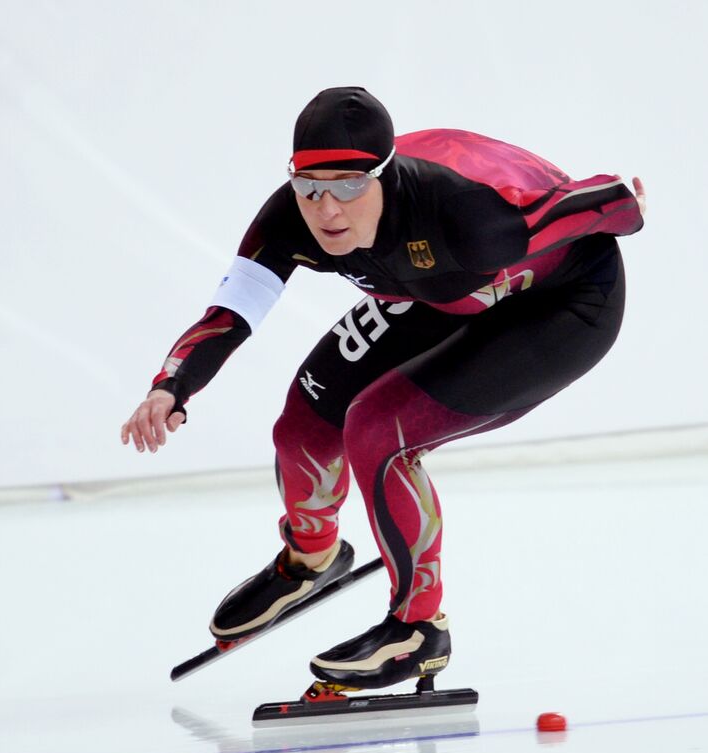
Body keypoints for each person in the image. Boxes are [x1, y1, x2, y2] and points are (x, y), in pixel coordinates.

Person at [121, 86, 645, 696]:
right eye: (311, 187)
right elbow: (235, 305)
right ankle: (311, 556)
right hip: (435, 292)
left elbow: (599, 205)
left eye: (349, 186)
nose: (328, 210)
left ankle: (419, 631)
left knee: (378, 428)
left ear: (385, 177)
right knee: (304, 423)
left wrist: (627, 199)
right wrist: (171, 385)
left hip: (560, 302)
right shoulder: (291, 218)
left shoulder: (472, 220)